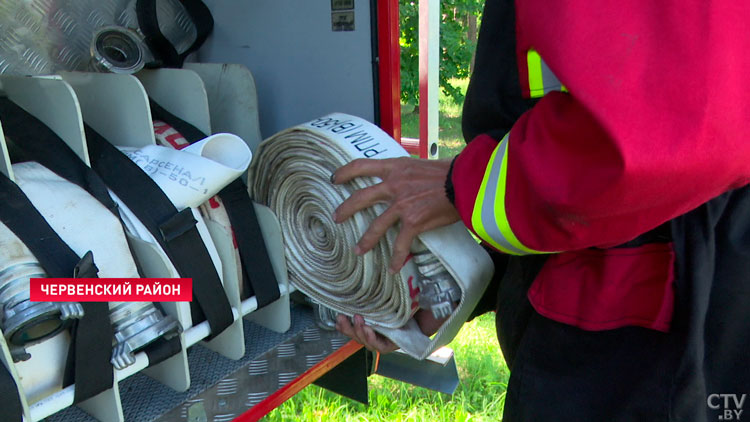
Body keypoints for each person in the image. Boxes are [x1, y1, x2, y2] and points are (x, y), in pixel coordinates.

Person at [334, 0, 750, 421]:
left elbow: (661, 131)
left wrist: (462, 185)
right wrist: (439, 292)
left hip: (660, 334)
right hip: (591, 312)